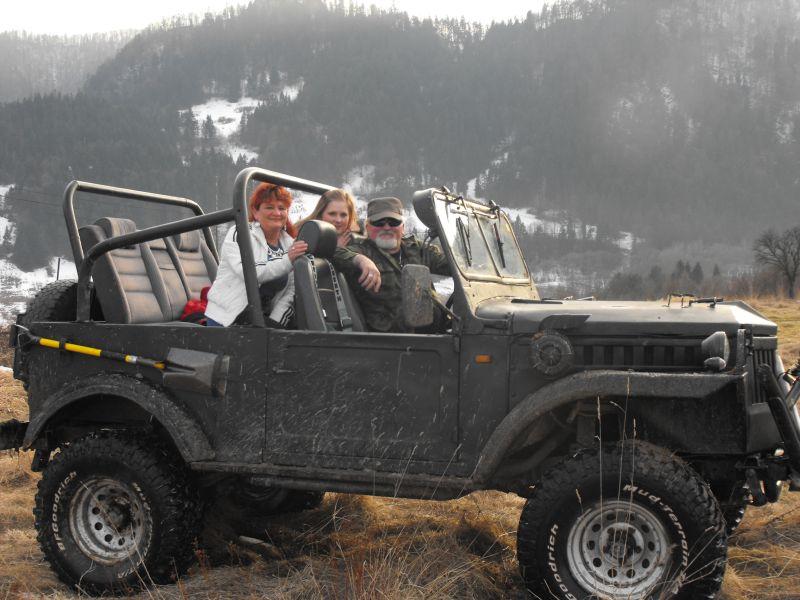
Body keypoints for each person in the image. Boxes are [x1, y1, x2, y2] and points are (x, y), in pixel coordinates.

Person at [333, 196, 451, 333]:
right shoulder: (363, 250)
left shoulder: (416, 248)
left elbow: (453, 265)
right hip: (392, 342)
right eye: (379, 222)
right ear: (367, 227)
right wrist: (361, 260)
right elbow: (335, 253)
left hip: (435, 332)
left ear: (403, 227)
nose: (387, 227)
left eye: (394, 222)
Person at [204, 183, 307, 327]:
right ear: (256, 211)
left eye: (281, 208)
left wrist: (274, 324)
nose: (277, 213)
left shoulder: (289, 244)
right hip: (228, 318)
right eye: (269, 207)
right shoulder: (240, 233)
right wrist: (287, 259)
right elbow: (248, 272)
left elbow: (290, 292)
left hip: (261, 319)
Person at [297, 188, 362, 247]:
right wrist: (335, 249)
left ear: (350, 217)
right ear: (320, 214)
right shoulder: (305, 236)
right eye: (332, 214)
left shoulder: (358, 240)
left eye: (343, 215)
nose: (338, 220)